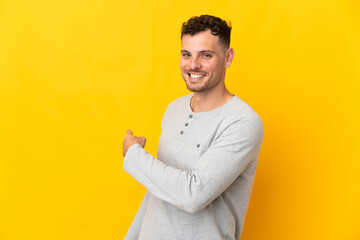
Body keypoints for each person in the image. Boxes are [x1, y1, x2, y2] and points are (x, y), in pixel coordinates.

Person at [122, 14, 264, 240]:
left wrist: (134, 155)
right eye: (186, 54)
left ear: (228, 57)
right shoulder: (174, 109)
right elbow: (159, 189)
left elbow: (193, 194)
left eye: (205, 55)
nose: (193, 65)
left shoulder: (243, 122)